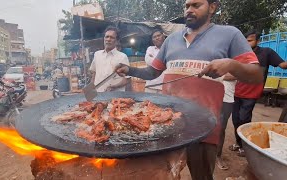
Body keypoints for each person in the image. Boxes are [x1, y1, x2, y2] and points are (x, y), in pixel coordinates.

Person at [115, 0, 263, 179]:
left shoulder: (229, 34)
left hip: (203, 126)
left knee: (201, 175)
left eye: (196, 5)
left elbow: (256, 75)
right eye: (186, 6)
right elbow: (153, 71)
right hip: (167, 124)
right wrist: (130, 69)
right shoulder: (172, 39)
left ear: (212, 7)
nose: (189, 10)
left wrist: (231, 64)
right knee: (165, 173)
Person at [230, 30, 287, 156]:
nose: (246, 43)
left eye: (250, 40)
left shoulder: (266, 53)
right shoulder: (240, 53)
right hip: (236, 92)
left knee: (244, 119)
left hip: (251, 93)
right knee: (235, 119)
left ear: (258, 41)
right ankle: (239, 144)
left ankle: (245, 147)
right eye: (245, 40)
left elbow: (283, 65)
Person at [90, 26, 130, 92]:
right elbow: (94, 74)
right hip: (98, 95)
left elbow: (127, 79)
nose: (108, 39)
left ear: (117, 41)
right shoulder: (97, 55)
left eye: (112, 37)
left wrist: (114, 87)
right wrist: (90, 91)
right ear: (104, 39)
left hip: (116, 98)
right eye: (107, 37)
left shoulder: (122, 57)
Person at [216, 75, 236, 170]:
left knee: (220, 129)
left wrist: (214, 75)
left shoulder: (236, 61)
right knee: (203, 125)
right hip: (209, 95)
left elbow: (237, 75)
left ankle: (217, 156)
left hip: (226, 99)